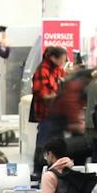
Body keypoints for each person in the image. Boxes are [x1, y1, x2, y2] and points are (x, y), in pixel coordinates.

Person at [29, 46, 67, 179]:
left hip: (57, 114)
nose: (64, 62)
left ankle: (57, 170)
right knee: (43, 144)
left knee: (58, 144)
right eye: (62, 59)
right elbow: (42, 94)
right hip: (46, 114)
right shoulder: (42, 71)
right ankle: (38, 171)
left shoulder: (57, 70)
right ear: (53, 58)